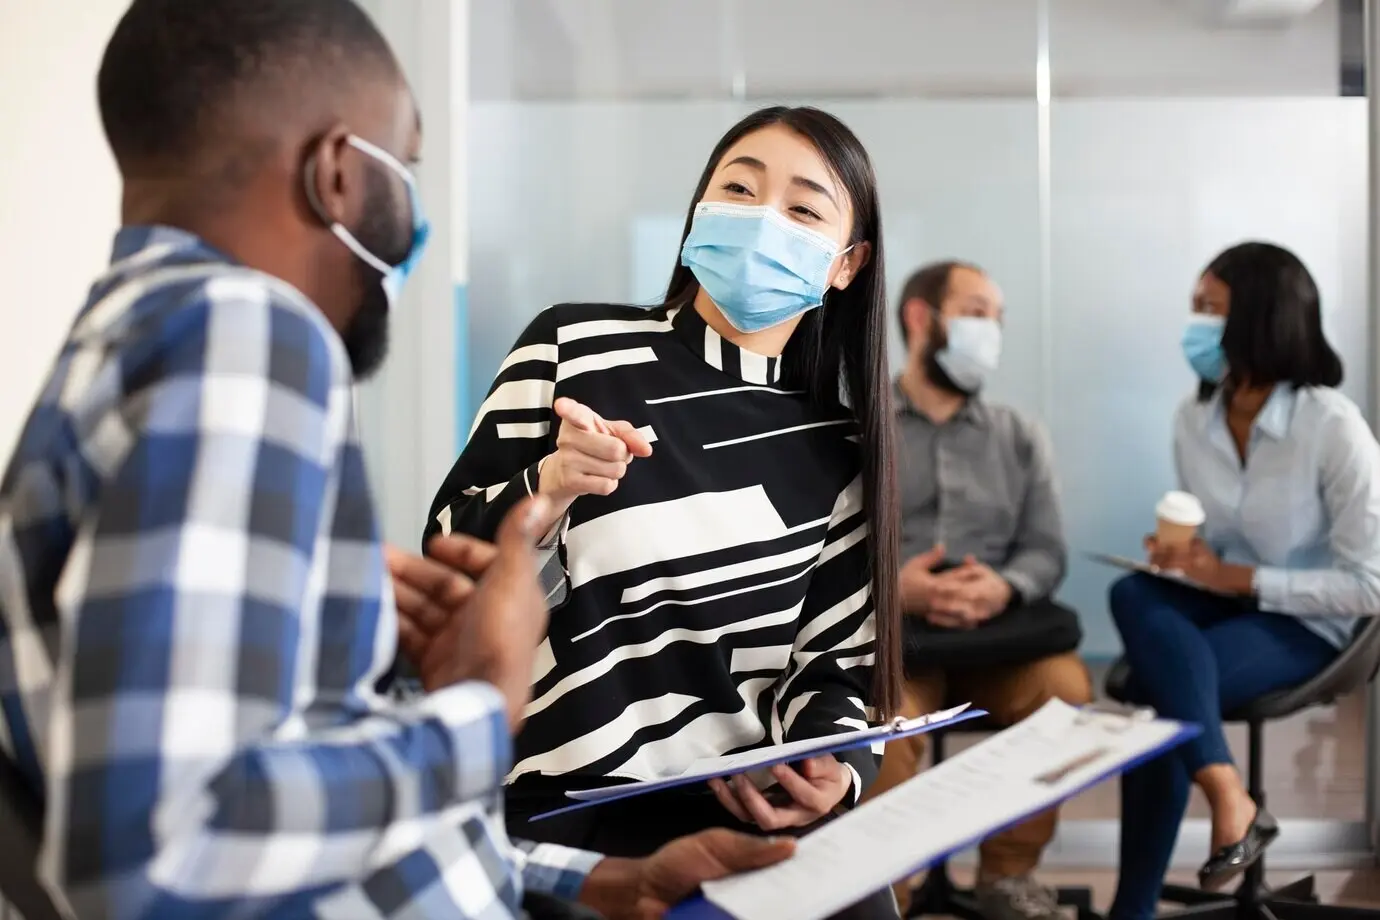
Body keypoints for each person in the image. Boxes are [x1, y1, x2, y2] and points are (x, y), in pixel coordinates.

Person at [0, 2, 794, 917]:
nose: (412, 207)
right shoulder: (250, 332)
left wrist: (608, 883)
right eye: (406, 165)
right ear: (338, 173)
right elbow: (157, 842)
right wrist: (484, 707)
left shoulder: (127, 339)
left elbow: (259, 788)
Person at [425, 106, 902, 918]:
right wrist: (547, 487)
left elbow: (836, 667)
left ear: (846, 264)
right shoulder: (574, 348)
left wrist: (835, 770)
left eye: (802, 208)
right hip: (562, 801)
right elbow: (445, 563)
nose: (761, 220)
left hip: (740, 802)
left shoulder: (838, 446)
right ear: (699, 212)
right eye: (740, 189)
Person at [1106, 242, 1380, 920]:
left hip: (1315, 626)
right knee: (1131, 591)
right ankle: (1230, 792)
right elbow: (1216, 547)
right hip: (1226, 605)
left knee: (1154, 689)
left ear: (1260, 318)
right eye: (1194, 305)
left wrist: (1233, 576)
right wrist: (1185, 555)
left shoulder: (1331, 426)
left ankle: (1135, 908)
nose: (1193, 324)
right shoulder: (1191, 418)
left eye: (1210, 308)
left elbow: (1370, 585)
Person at [859, 261, 1093, 920]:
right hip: (898, 646)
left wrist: (1003, 587)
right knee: (881, 720)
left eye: (998, 315)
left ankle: (1008, 876)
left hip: (1002, 644)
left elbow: (1046, 550)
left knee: (1067, 693)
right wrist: (894, 589)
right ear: (919, 318)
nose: (992, 328)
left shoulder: (1019, 435)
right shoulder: (861, 427)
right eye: (976, 311)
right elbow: (822, 548)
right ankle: (885, 894)